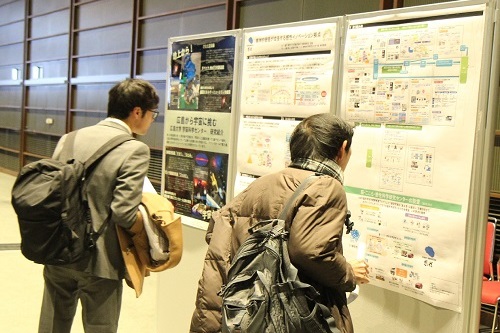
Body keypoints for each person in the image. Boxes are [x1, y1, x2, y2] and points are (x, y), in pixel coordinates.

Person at [190, 113, 370, 333]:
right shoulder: (326, 187)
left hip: (246, 313)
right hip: (291, 317)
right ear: (342, 149)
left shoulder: (263, 183)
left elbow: (217, 233)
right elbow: (311, 251)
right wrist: (349, 273)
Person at [38, 78, 160, 333]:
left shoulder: (68, 139)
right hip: (101, 261)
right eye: (152, 113)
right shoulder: (134, 149)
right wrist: (149, 232)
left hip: (59, 250)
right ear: (137, 112)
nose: (152, 119)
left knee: (51, 326)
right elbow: (123, 212)